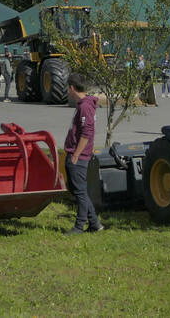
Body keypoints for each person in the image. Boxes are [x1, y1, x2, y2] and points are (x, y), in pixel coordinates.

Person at [64, 72, 103, 235]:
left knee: (80, 192)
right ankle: (94, 223)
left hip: (78, 156)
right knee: (78, 189)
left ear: (72, 88)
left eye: (68, 88)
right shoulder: (83, 105)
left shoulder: (85, 106)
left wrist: (75, 155)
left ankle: (79, 226)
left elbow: (87, 133)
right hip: (75, 153)